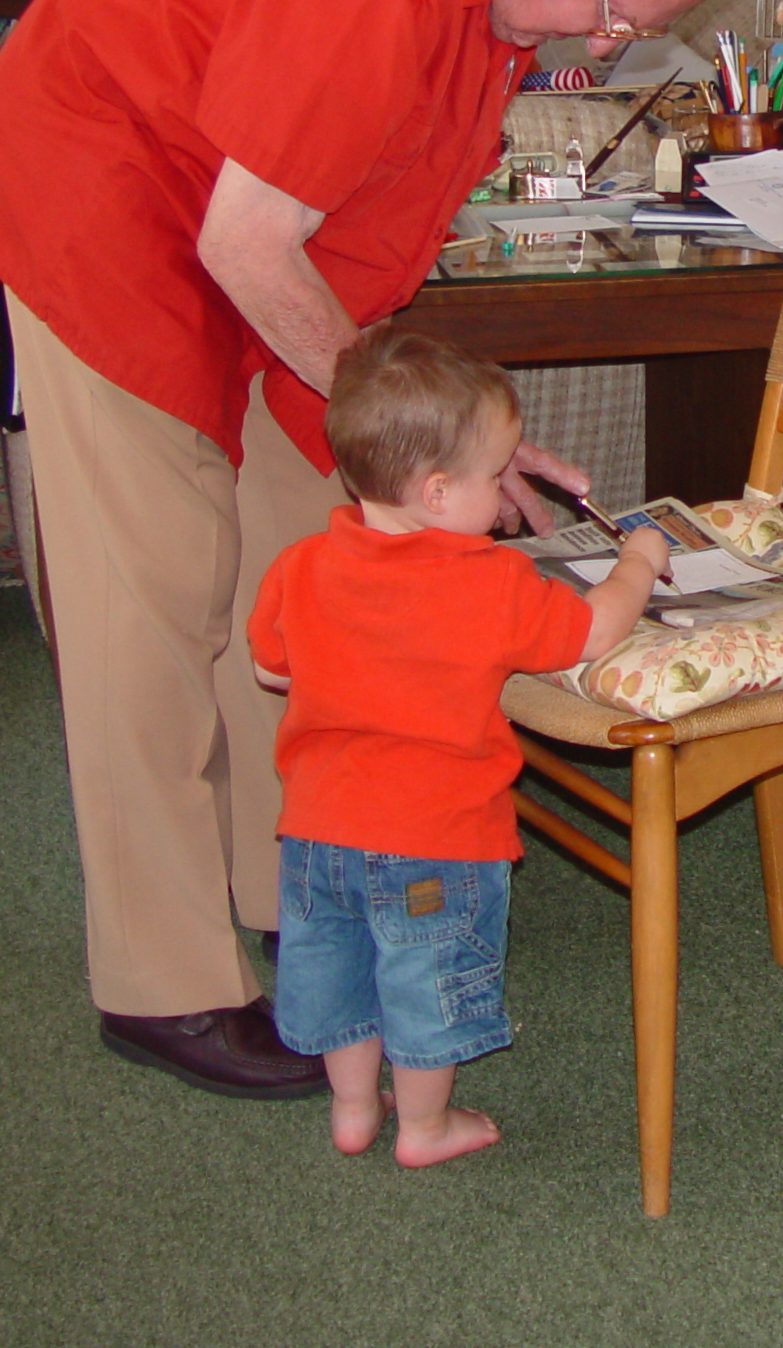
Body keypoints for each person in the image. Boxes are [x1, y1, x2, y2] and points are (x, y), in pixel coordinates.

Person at [0, 0, 742, 1100]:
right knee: (152, 609)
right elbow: (242, 239)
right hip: (109, 211)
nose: (603, 54)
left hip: (245, 236)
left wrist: (463, 455)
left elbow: (339, 200)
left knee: (297, 577)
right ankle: (164, 987)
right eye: (614, 16)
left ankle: (290, 893)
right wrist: (439, 446)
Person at [250, 326, 668, 1164]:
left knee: (342, 974)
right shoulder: (490, 582)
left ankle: (354, 1111)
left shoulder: (299, 566)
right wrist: (640, 558)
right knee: (424, 979)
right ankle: (427, 1127)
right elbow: (593, 631)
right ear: (439, 493)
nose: (505, 496)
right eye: (494, 475)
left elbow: (271, 671)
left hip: (316, 833)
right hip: (436, 840)